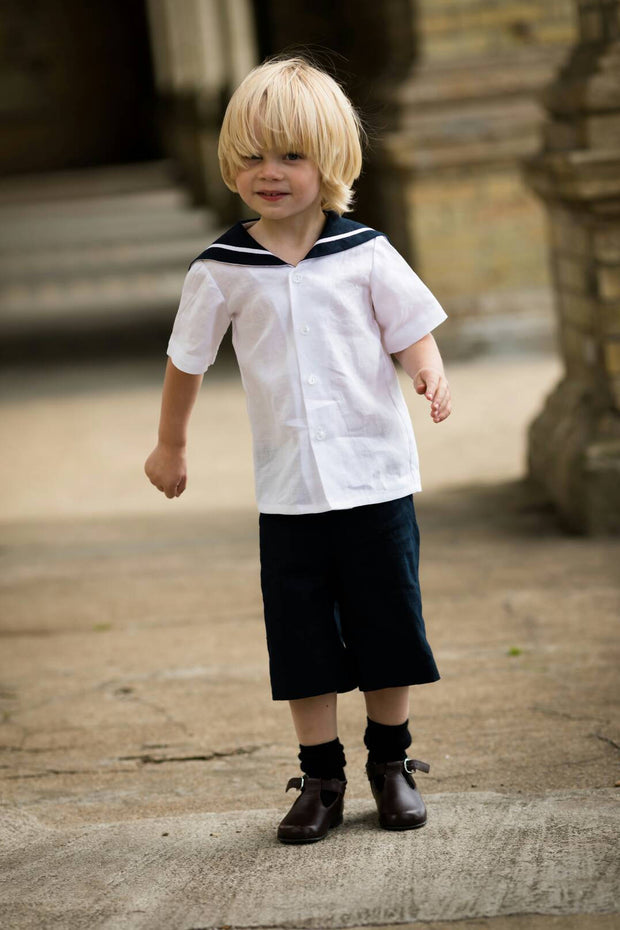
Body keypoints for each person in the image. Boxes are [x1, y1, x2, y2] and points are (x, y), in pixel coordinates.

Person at [144, 55, 452, 845]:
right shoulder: (222, 270)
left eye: (290, 156)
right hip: (289, 494)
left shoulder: (366, 252)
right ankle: (320, 774)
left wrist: (428, 373)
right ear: (230, 165)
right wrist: (168, 446)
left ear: (332, 163)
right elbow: (187, 361)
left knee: (388, 625)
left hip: (375, 477)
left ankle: (392, 763)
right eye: (251, 156)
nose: (268, 173)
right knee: (304, 635)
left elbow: (410, 328)